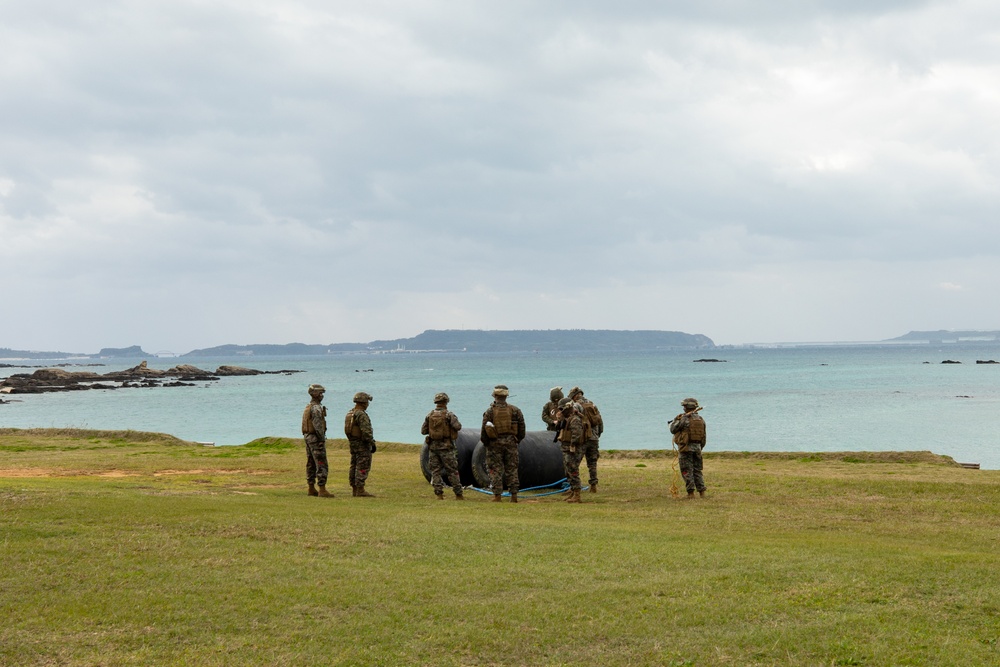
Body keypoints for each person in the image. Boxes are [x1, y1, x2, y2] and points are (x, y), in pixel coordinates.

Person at [480, 385, 526, 503]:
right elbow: (522, 429)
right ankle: (514, 496)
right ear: (506, 396)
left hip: (494, 444)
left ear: (495, 396)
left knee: (495, 470)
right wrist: (517, 440)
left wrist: (487, 443)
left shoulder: (490, 411)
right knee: (512, 469)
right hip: (511, 443)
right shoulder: (515, 410)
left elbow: (484, 430)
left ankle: (497, 496)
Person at [421, 392, 465, 500]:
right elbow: (458, 427)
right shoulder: (449, 415)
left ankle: (439, 494)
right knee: (452, 471)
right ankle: (458, 494)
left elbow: (423, 431)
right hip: (447, 447)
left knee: (435, 471)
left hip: (433, 447)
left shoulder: (429, 415)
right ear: (446, 402)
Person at [669, 397, 707, 499]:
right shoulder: (701, 420)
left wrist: (675, 420)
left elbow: (673, 429)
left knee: (686, 470)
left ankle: (690, 493)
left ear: (687, 407)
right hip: (697, 448)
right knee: (697, 470)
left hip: (686, 448)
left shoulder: (684, 419)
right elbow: (704, 437)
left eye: (684, 406)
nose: (683, 408)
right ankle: (702, 492)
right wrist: (699, 448)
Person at [568, 386, 604, 493]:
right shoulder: (592, 404)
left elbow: (573, 421)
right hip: (594, 438)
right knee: (592, 463)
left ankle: (573, 488)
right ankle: (593, 486)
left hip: (583, 439)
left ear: (574, 396)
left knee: (574, 464)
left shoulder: (576, 406)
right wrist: (598, 435)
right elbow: (600, 422)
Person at [301, 384, 333, 497]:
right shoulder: (316, 408)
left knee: (310, 463)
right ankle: (322, 489)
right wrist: (321, 438)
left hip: (308, 437)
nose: (322, 396)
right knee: (321, 463)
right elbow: (317, 425)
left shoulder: (308, 407)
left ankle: (311, 487)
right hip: (315, 438)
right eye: (320, 393)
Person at [345, 391, 376, 497]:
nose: (367, 404)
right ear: (363, 402)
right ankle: (360, 489)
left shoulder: (350, 413)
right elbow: (366, 431)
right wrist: (372, 443)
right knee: (363, 465)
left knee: (354, 465)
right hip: (362, 444)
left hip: (353, 443)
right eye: (367, 401)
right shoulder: (361, 414)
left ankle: (354, 488)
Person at [556, 398, 585, 503]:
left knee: (573, 471)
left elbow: (577, 434)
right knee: (568, 470)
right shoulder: (567, 419)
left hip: (573, 449)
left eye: (562, 409)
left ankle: (577, 494)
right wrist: (560, 420)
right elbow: (559, 429)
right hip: (566, 448)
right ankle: (573, 491)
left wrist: (572, 445)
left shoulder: (575, 419)